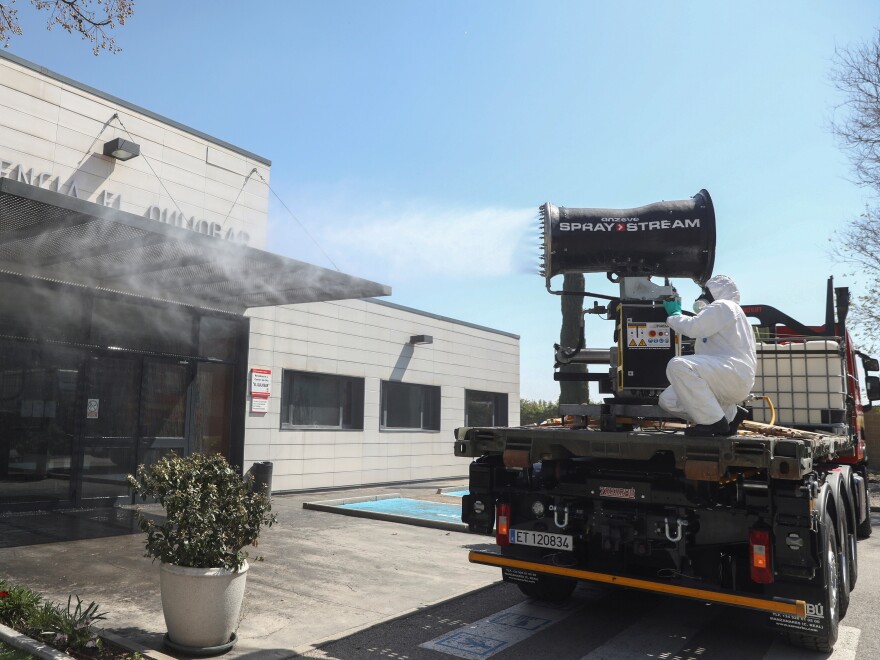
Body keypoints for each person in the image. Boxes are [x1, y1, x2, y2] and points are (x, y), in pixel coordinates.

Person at [659, 274, 756, 437]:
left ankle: (714, 424)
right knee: (668, 400)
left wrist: (675, 315)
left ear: (716, 291)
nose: (701, 296)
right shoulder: (727, 313)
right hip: (727, 376)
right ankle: (730, 415)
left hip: (732, 374)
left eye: (705, 291)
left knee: (678, 365)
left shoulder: (724, 306)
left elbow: (693, 328)